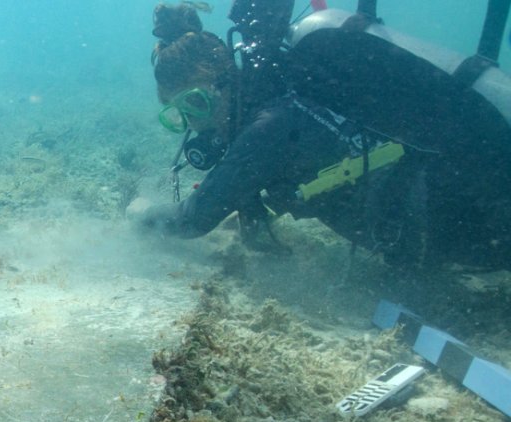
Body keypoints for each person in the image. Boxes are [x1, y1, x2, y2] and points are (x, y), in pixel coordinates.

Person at [135, 1, 511, 271]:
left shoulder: (269, 127)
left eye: (197, 104)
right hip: (446, 216)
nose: (194, 124)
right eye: (178, 114)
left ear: (226, 81)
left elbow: (191, 221)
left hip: (460, 222)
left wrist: (137, 216)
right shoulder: (282, 103)